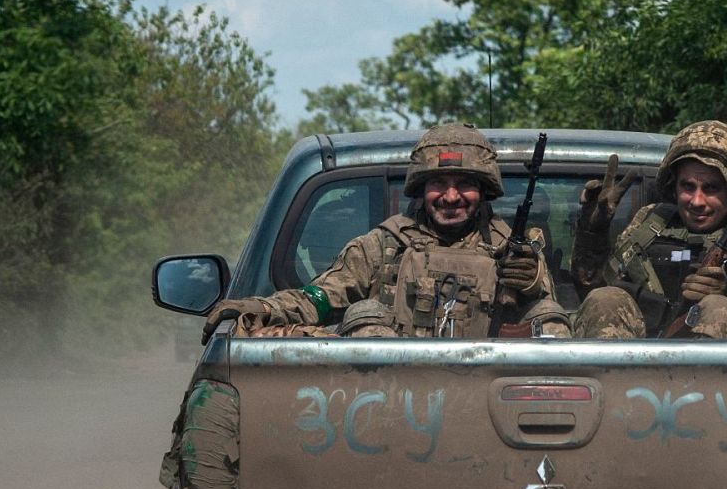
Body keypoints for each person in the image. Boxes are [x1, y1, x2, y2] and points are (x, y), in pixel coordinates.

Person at [203, 123, 568, 340]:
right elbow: (319, 297)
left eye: (465, 184)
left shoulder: (513, 250)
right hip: (387, 403)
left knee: (549, 317)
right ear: (422, 189)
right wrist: (264, 307)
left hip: (498, 396)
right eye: (439, 183)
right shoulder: (385, 245)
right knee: (364, 315)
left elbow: (548, 305)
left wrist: (531, 280)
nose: (451, 196)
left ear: (484, 190)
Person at [569, 120, 727, 339]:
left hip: (713, 371)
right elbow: (594, 287)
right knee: (605, 299)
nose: (697, 201)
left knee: (717, 308)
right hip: (632, 363)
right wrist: (592, 233)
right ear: (674, 185)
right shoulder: (648, 224)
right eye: (688, 186)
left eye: (711, 188)